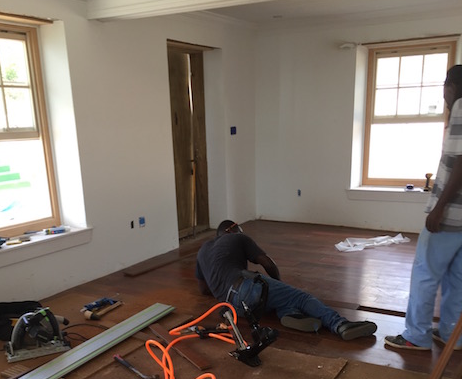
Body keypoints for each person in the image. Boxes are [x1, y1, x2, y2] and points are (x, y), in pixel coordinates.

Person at [195, 220, 377, 341]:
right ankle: (340, 324)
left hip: (232, 309)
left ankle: (289, 314)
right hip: (245, 287)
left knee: (276, 299)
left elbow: (203, 289)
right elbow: (268, 263)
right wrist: (280, 284)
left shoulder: (203, 249)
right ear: (231, 230)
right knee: (300, 297)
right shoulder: (237, 237)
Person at [385, 65, 462, 351]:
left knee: (425, 275)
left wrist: (439, 208)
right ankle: (452, 335)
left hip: (451, 216)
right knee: (458, 278)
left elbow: (460, 162)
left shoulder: (461, 108)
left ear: (450, 85)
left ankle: (416, 336)